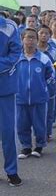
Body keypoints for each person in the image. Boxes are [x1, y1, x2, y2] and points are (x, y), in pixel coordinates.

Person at [16, 28, 55, 159]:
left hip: (39, 98)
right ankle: (26, 147)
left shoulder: (43, 59)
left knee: (39, 124)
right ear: (22, 40)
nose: (30, 41)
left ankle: (39, 146)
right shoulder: (16, 58)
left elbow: (51, 76)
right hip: (20, 98)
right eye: (28, 37)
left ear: (37, 41)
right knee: (22, 124)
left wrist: (45, 89)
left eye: (33, 38)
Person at [0, 15, 22, 186]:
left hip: (4, 87)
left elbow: (15, 54)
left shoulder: (9, 26)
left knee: (7, 132)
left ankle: (11, 171)